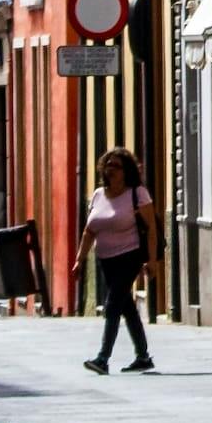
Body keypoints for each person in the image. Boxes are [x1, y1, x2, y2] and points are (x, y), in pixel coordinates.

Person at [82, 148, 153, 374]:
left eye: (116, 166)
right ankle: (143, 356)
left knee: (113, 305)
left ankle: (103, 358)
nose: (111, 169)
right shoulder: (98, 195)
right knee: (127, 307)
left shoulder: (137, 194)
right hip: (106, 259)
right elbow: (89, 231)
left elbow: (151, 229)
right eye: (108, 165)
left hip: (129, 255)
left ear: (126, 171)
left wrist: (151, 261)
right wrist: (79, 260)